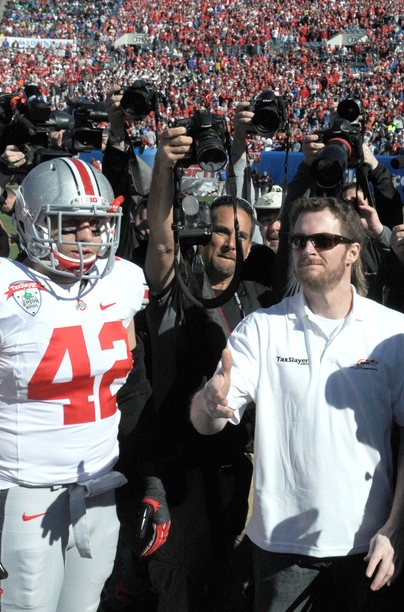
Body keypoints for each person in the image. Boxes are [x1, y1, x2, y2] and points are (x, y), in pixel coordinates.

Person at [0, 157, 165, 611]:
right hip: (22, 496)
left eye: (97, 224)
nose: (88, 238)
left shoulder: (122, 284)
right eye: (70, 223)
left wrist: (147, 481)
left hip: (100, 489)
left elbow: (130, 392)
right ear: (32, 223)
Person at [191, 196, 404, 611]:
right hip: (279, 546)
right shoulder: (261, 328)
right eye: (299, 240)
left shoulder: (395, 331)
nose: (308, 249)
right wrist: (207, 403)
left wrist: (397, 526)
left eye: (323, 240)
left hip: (367, 545)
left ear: (353, 252)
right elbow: (208, 421)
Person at [144, 124, 272, 611]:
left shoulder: (258, 297)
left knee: (231, 584)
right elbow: (160, 240)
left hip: (240, 468)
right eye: (220, 230)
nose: (229, 242)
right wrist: (163, 168)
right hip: (184, 469)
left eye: (241, 236)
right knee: (183, 586)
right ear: (200, 233)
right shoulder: (177, 288)